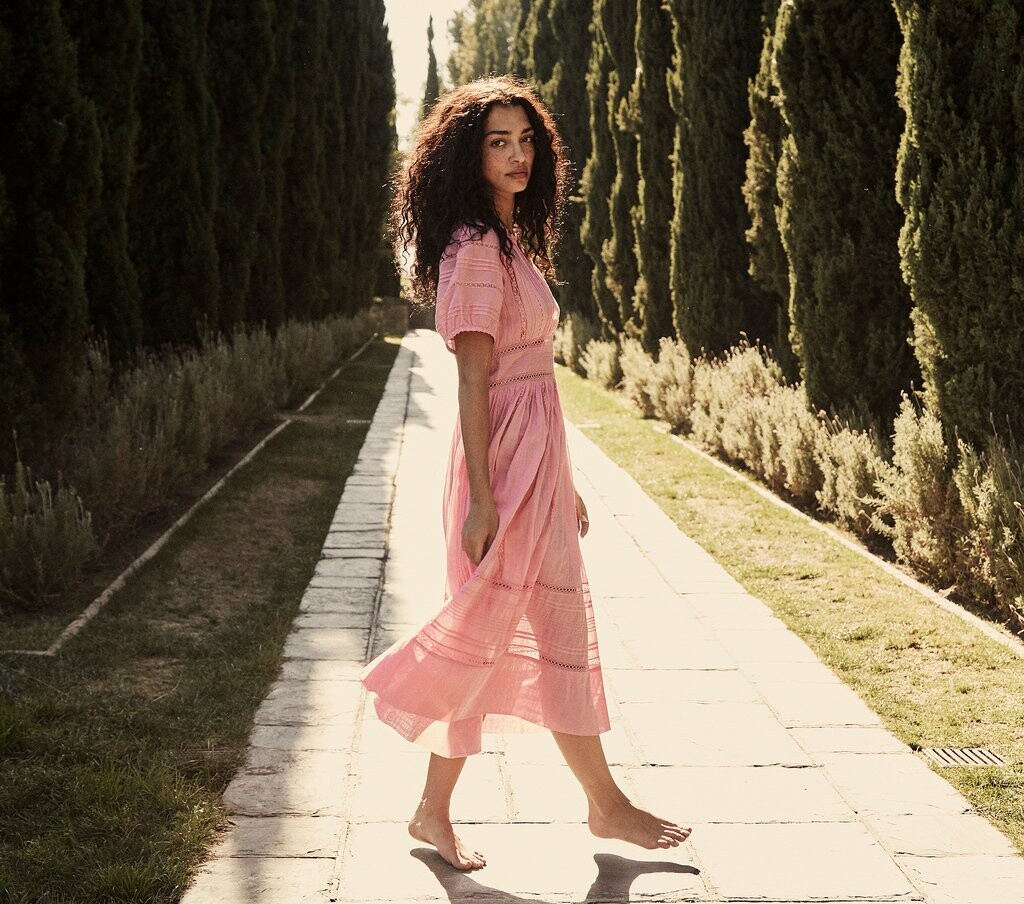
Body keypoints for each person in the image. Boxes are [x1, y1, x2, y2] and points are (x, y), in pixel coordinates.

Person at [360, 76, 690, 871]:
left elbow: (534, 375)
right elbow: (475, 382)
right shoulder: (477, 247)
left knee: (540, 625)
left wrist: (561, 479)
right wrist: (484, 500)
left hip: (535, 460)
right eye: (498, 142)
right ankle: (597, 806)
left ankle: (462, 810)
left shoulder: (508, 239)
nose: (517, 155)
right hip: (503, 465)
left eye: (526, 140)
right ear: (467, 158)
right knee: (496, 628)